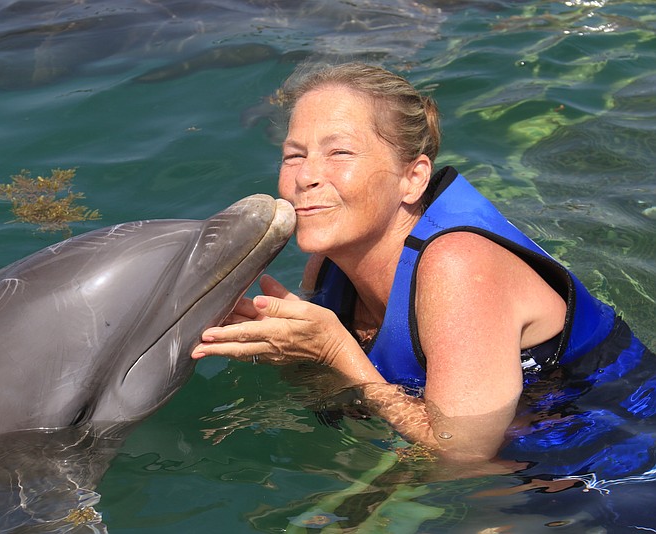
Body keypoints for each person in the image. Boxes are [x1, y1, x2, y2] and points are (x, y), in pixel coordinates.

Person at [190, 62, 647, 468]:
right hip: (530, 461)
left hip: (618, 457)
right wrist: (284, 351)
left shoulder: (459, 267)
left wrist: (333, 351)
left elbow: (460, 455)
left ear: (413, 178)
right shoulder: (328, 267)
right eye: (294, 155)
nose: (305, 177)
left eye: (340, 152)